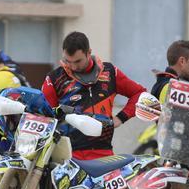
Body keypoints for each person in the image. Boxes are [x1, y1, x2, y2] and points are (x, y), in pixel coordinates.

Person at [42, 31, 146, 160]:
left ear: (88, 52)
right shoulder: (54, 78)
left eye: (78, 61)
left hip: (103, 153)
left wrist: (120, 118)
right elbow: (43, 114)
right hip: (67, 154)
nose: (73, 66)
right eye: (68, 61)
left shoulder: (110, 72)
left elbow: (140, 94)